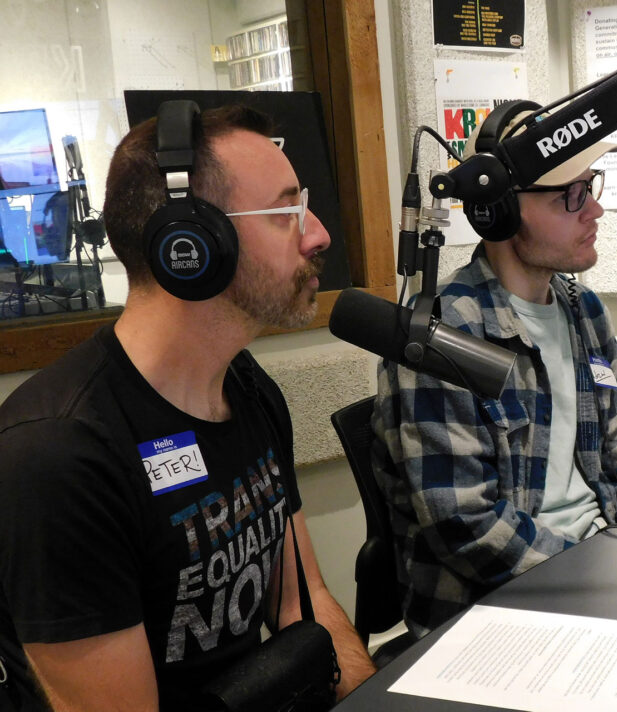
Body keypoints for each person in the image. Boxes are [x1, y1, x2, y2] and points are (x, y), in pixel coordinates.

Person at [0, 103, 374, 711]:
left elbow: (300, 603)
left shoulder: (249, 389)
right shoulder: (56, 457)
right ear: (192, 245)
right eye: (287, 212)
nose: (318, 233)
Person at [372, 103, 617, 638]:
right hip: (495, 614)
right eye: (572, 195)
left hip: (599, 574)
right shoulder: (443, 338)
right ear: (500, 212)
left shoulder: (585, 312)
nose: (595, 212)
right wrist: (608, 581)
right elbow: (468, 526)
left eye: (592, 186)